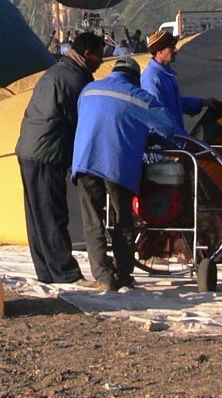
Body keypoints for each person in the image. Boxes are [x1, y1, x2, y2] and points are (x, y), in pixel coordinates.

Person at [14, 29, 105, 282]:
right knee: (53, 214)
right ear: (88, 55)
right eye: (99, 57)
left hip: (29, 150)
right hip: (47, 154)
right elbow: (83, 122)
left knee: (37, 217)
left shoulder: (57, 71)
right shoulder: (74, 81)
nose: (101, 63)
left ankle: (46, 271)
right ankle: (65, 273)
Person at [71, 52, 163, 292]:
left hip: (84, 160)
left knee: (93, 220)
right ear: (134, 78)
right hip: (117, 164)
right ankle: (123, 273)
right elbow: (168, 126)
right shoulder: (139, 96)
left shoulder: (89, 89)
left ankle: (103, 276)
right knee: (123, 219)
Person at [140, 26, 203, 138]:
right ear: (160, 51)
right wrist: (184, 140)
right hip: (166, 146)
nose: (175, 50)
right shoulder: (152, 79)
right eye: (171, 47)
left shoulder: (166, 74)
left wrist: (201, 103)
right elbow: (159, 118)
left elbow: (175, 102)